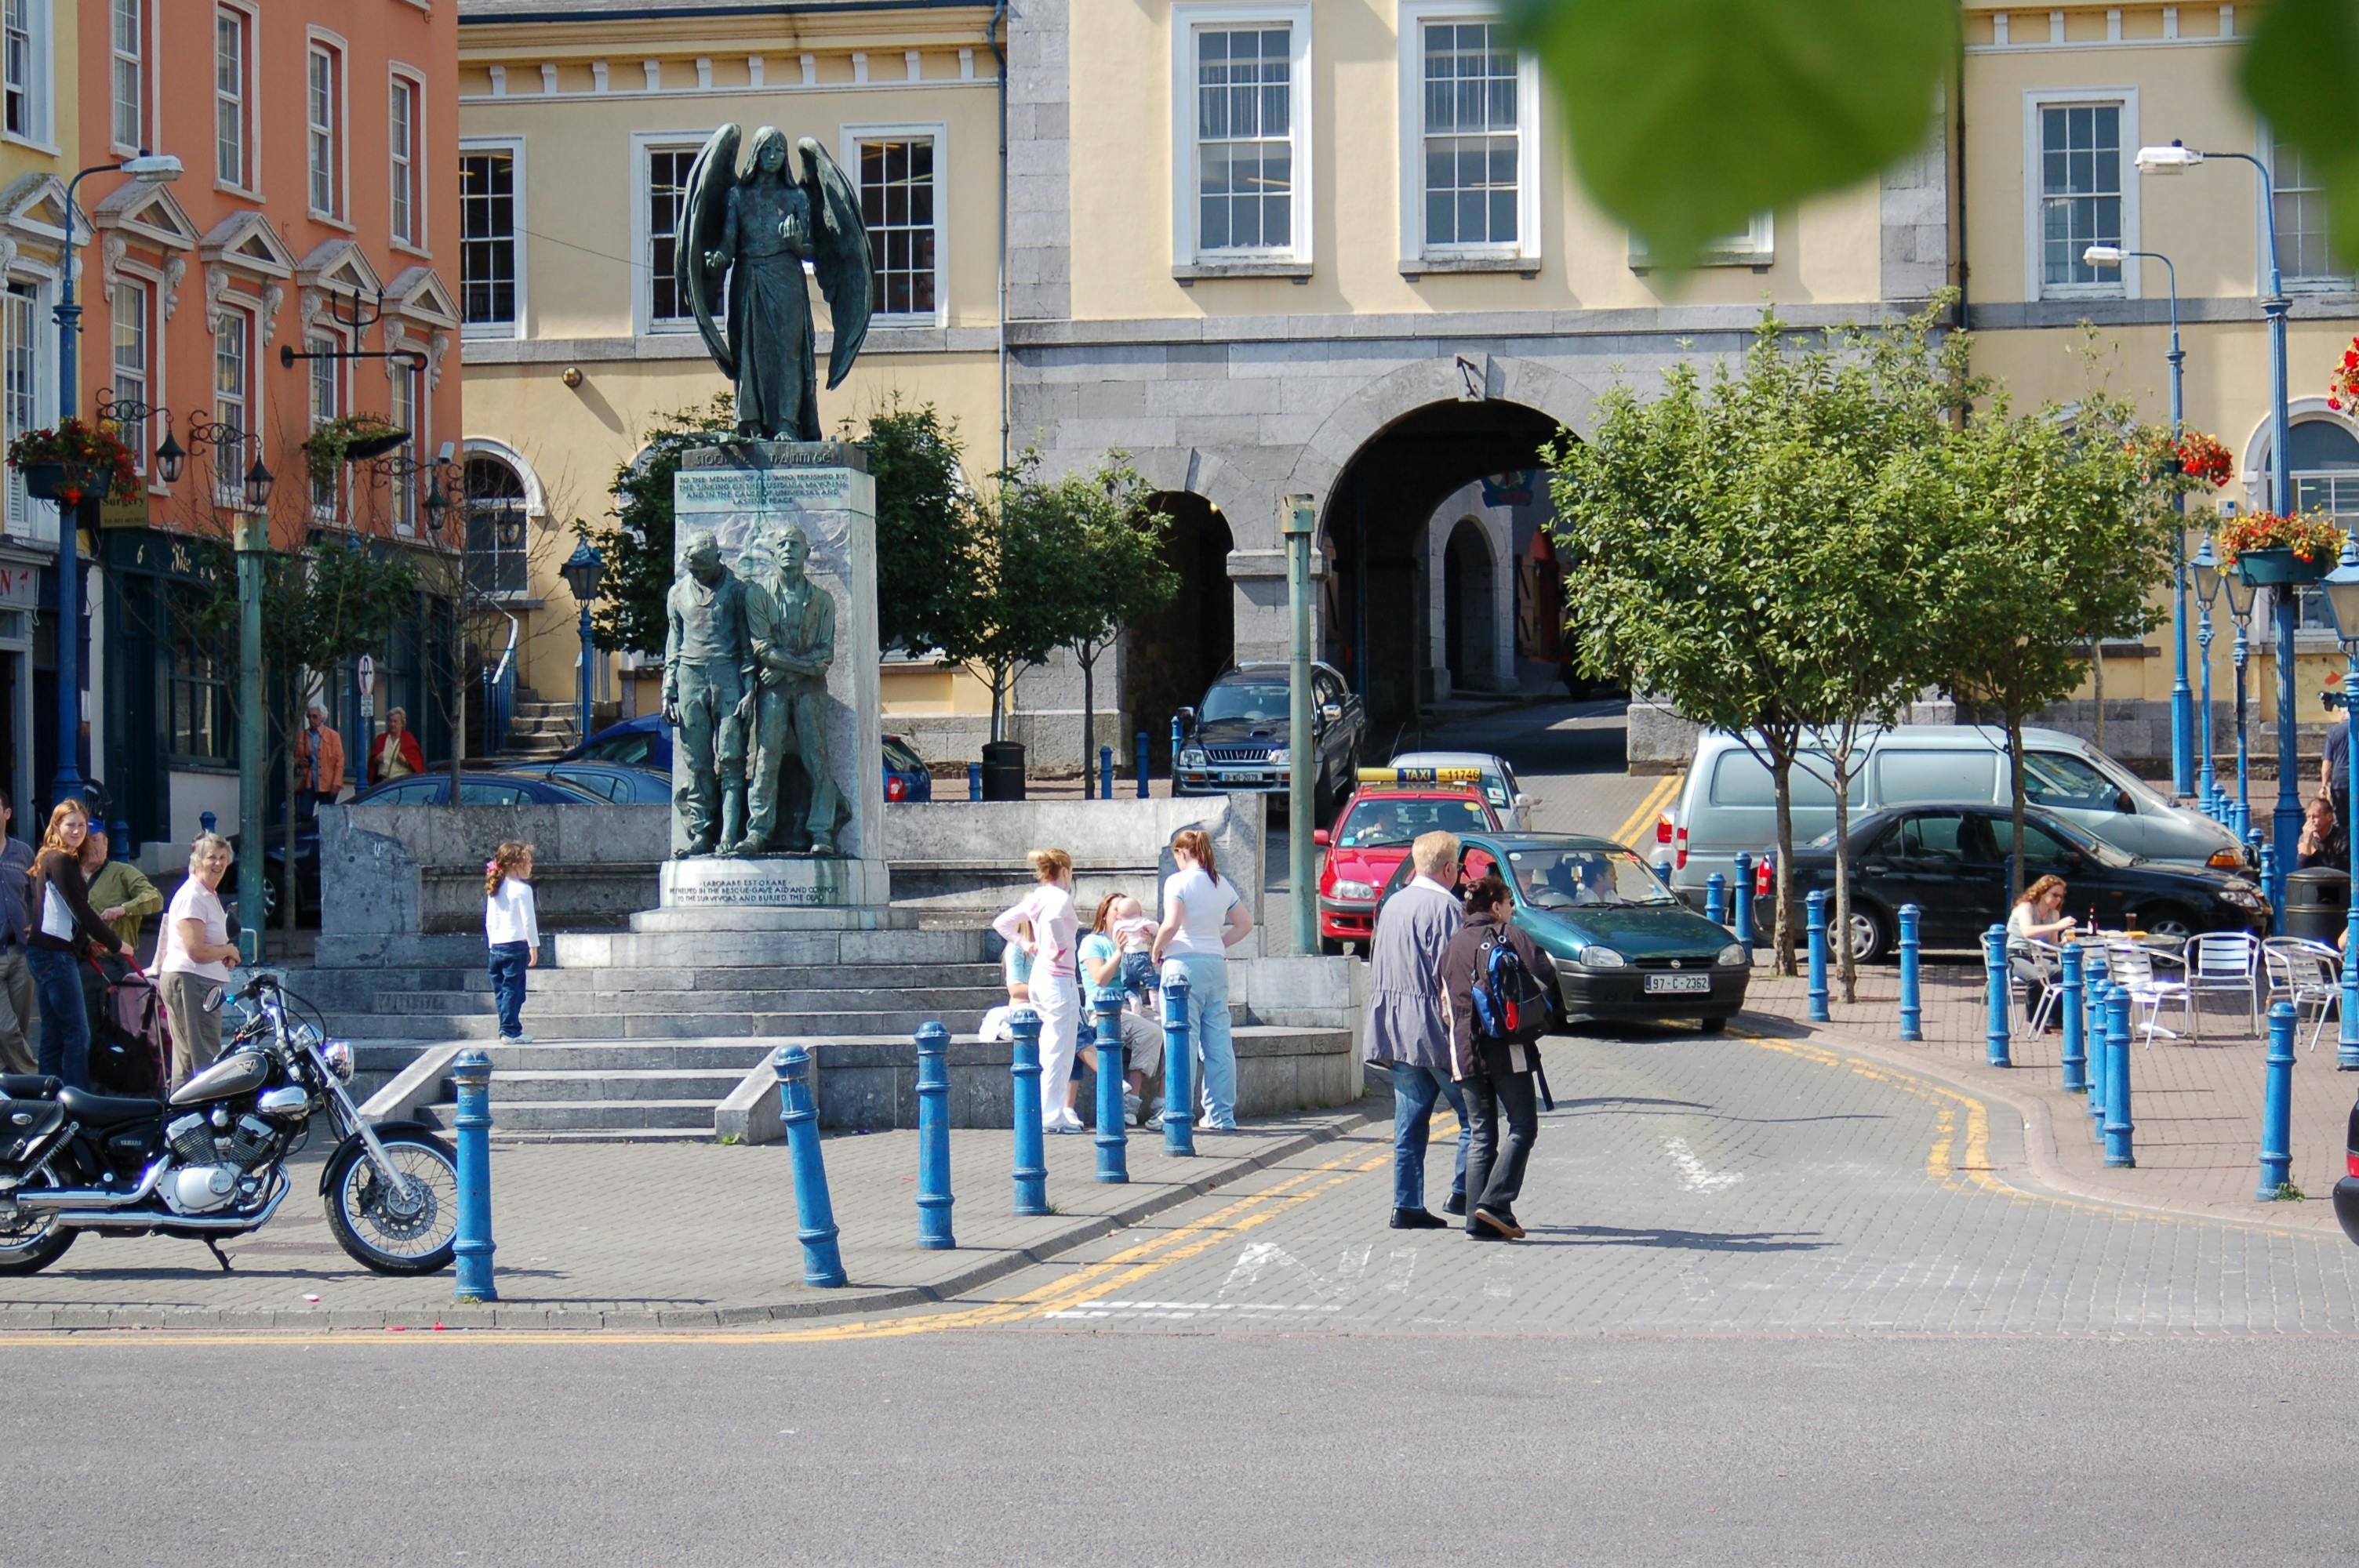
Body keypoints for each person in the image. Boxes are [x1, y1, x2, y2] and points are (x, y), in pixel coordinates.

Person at [1365, 830, 1470, 1229]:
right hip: (1435, 1030)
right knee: (1476, 1115)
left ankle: (1405, 1203)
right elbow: (1453, 975)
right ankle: (1464, 1192)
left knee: (1409, 1122)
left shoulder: (1393, 903)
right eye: (1458, 866)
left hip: (1396, 1027)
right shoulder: (1446, 909)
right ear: (1448, 869)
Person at [1440, 876, 1555, 1241]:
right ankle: (1495, 1202)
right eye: (1508, 903)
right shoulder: (1510, 935)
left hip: (1464, 1051)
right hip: (1508, 1047)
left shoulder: (1453, 945)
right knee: (1523, 1126)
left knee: (1481, 1133)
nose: (1511, 911)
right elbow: (1545, 975)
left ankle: (1478, 1221)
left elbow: (1441, 996)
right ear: (1495, 907)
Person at [1150, 829, 1253, 1131]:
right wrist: (1219, 942)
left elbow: (1171, 923)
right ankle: (1221, 1116)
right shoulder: (1220, 883)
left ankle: (1177, 1111)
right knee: (1218, 1045)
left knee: (1181, 1041)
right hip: (1215, 964)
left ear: (1182, 853)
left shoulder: (1177, 882)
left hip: (1182, 964)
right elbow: (1244, 923)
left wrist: (1157, 948)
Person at [28, 800, 129, 1089]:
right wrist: (116, 943)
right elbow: (80, 910)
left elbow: (58, 911)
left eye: (81, 826)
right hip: (54, 955)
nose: (76, 831)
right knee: (77, 1034)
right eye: (70, 825)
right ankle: (77, 1102)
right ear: (56, 826)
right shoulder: (61, 860)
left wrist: (85, 946)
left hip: (44, 952)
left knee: (53, 1033)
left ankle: (47, 1098)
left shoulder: (49, 857)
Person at [994, 848, 1084, 1131]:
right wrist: (1059, 947)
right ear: (1065, 872)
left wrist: (1026, 944)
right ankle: (1050, 1114)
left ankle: (1049, 1111)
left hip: (1040, 976)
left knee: (1051, 1047)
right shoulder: (1060, 897)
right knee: (1060, 1049)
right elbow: (1057, 920)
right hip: (1058, 977)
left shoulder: (1036, 898)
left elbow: (1002, 923)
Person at [158, 832, 240, 1087]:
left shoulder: (207, 893)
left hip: (198, 979)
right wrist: (227, 950)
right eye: (211, 857)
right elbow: (195, 950)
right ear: (197, 861)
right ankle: (199, 1120)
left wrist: (222, 952)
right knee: (203, 1058)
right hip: (192, 980)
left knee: (188, 1059)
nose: (218, 863)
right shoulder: (193, 895)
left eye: (223, 858)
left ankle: (180, 1120)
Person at [1081, 892, 1166, 1127]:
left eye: (1127, 912)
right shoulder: (1093, 943)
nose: (1122, 916)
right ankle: (1131, 1101)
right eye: (1116, 911)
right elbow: (1100, 978)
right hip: (1102, 1011)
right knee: (1150, 1033)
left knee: (1170, 1029)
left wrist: (1147, 947)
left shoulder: (1134, 940)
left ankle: (1164, 1101)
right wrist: (1119, 952)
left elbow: (1145, 973)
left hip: (1131, 1005)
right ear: (1105, 915)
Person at [485, 841, 540, 1044]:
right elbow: (528, 921)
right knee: (514, 990)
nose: (531, 866)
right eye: (528, 862)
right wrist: (533, 946)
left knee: (502, 991)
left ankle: (507, 1027)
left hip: (497, 947)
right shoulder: (522, 890)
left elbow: (489, 921)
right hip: (515, 946)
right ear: (516, 864)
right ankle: (510, 1030)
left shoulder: (495, 888)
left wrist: (492, 944)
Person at [2007, 874, 2077, 1029]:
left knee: (2059, 972)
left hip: (2035, 956)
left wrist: (2064, 943)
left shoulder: (2054, 914)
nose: (2058, 900)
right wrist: (2056, 927)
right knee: (2036, 977)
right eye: (2055, 895)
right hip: (2015, 955)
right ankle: (2035, 1021)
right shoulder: (2026, 907)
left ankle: (2055, 1021)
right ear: (2042, 892)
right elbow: (2028, 932)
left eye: (2061, 896)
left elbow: (2052, 944)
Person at [81, 826, 162, 955]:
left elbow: (155, 898)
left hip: (116, 958)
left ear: (106, 843)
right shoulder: (68, 876)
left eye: (95, 839)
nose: (90, 846)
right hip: (80, 958)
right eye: (85, 841)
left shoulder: (123, 872)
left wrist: (123, 909)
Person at [0, 786, 34, 1076]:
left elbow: (37, 895)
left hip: (21, 951)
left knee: (20, 1028)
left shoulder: (22, 853)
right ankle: (36, 1082)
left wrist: (36, 923)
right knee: (6, 1029)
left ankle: (9, 1088)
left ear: (7, 814)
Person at [296, 701, 347, 815]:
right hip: (309, 782)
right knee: (304, 813)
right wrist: (300, 762)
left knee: (326, 815)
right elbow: (296, 757)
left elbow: (340, 760)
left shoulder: (333, 736)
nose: (311, 720)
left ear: (322, 718)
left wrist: (337, 783)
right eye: (309, 716)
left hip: (328, 783)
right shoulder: (303, 736)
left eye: (315, 717)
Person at [369, 706, 425, 786]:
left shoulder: (408, 739)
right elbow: (372, 762)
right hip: (383, 783)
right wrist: (376, 760)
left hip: (402, 782)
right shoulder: (381, 739)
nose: (392, 724)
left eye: (395, 722)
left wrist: (405, 762)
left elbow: (418, 765)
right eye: (390, 721)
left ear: (402, 723)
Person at [2298, 791, 2348, 872]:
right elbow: (2304, 869)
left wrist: (2314, 852)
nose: (2311, 821)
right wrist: (2307, 843)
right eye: (2308, 817)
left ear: (2329, 817)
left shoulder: (2343, 837)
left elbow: (2340, 867)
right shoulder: (2305, 837)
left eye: (2315, 817)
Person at [2325, 710, 2351, 838]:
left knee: (2341, 820)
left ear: (2342, 714)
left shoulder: (2334, 731)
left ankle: (2343, 851)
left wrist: (2324, 784)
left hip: (2339, 781)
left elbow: (2327, 762)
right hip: (2355, 780)